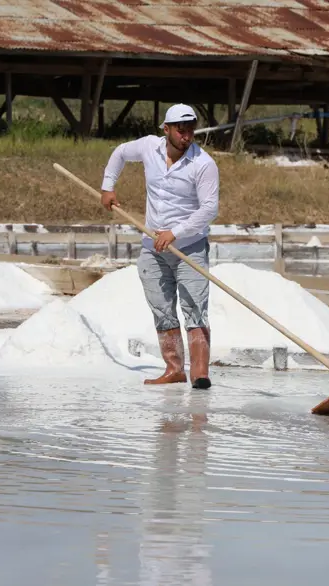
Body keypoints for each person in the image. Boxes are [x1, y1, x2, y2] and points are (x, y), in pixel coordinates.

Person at [100, 104, 220, 389]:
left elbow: (209, 209)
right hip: (152, 247)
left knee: (195, 308)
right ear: (166, 130)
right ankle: (174, 369)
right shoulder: (147, 148)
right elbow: (119, 153)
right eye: (181, 130)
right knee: (162, 308)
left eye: (191, 130)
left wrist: (175, 233)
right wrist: (108, 186)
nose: (187, 136)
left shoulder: (203, 164)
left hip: (189, 247)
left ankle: (200, 374)